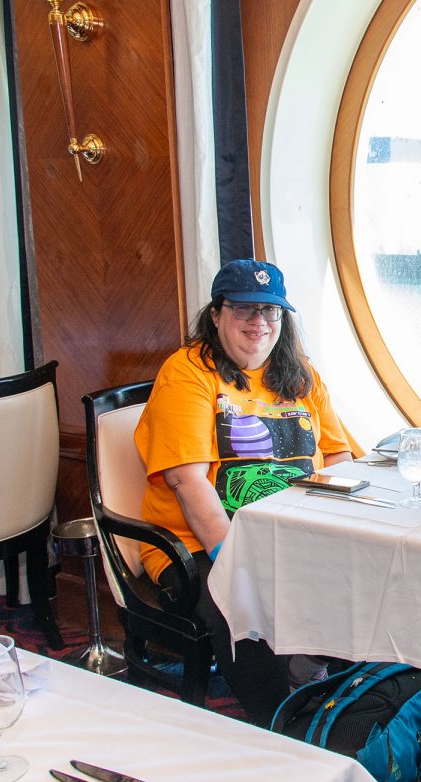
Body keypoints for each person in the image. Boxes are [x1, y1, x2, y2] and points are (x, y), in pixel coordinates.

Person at [134, 258, 359, 725]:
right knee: (242, 601)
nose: (259, 322)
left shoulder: (300, 374)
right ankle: (278, 724)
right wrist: (234, 556)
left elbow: (339, 455)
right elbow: (188, 481)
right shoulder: (188, 372)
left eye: (269, 310)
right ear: (217, 314)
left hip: (290, 532)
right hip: (197, 543)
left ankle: (327, 684)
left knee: (371, 572)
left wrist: (339, 530)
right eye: (244, 309)